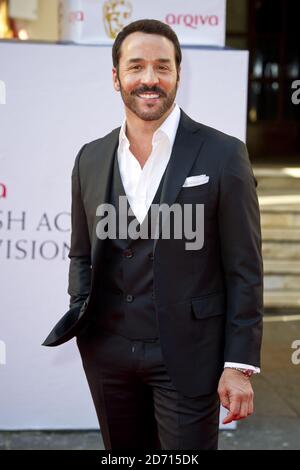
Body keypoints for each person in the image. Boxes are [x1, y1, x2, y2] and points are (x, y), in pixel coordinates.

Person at [43, 19, 263, 450]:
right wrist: (82, 311)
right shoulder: (90, 157)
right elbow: (81, 253)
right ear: (116, 77)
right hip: (108, 352)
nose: (149, 79)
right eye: (136, 66)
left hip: (189, 353)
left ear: (179, 74)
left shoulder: (223, 153)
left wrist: (238, 365)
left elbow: (244, 268)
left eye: (162, 67)